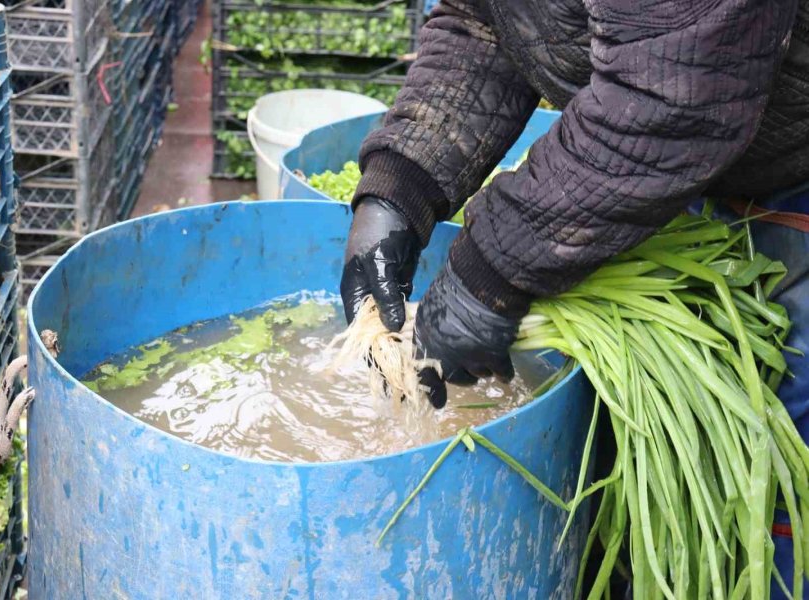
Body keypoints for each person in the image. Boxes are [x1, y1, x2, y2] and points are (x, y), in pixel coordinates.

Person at [338, 0, 809, 596]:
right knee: (639, 462)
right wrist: (402, 183)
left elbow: (672, 97)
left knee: (766, 479)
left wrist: (491, 270)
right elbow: (489, 18)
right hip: (666, 155)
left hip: (752, 144)